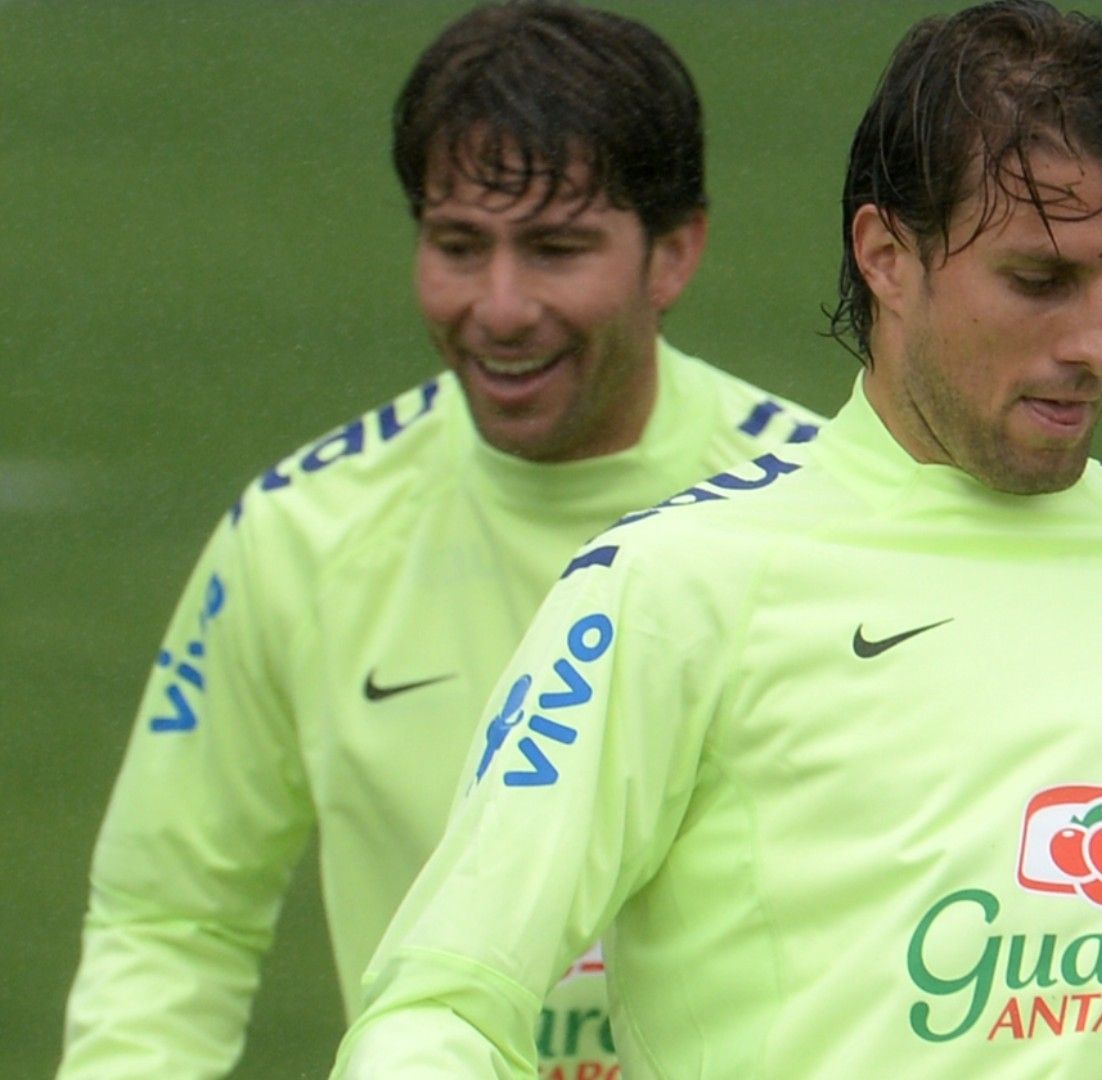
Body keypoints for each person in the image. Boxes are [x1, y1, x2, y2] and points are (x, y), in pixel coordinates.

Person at [334, 1, 1102, 1075]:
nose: (1097, 343)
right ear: (887, 255)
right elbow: (439, 1010)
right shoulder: (674, 589)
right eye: (1040, 280)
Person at [57, 3, 819, 1077]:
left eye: (556, 250)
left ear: (674, 253)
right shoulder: (300, 536)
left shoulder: (830, 519)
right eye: (460, 246)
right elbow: (172, 918)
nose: (499, 309)